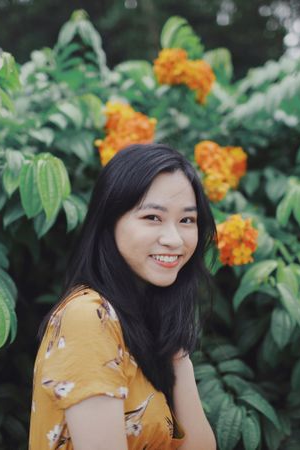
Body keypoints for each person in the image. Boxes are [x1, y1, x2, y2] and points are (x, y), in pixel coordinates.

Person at [28, 143, 218, 449]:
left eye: (187, 220)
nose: (174, 239)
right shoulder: (88, 318)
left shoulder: (142, 320)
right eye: (153, 218)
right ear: (110, 221)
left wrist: (178, 356)